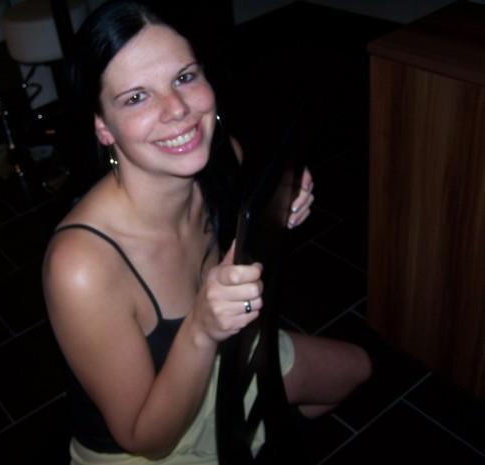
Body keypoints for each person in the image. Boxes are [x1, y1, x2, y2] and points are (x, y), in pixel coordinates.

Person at [42, 1, 371, 464]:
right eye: (136, 97)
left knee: (358, 368)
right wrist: (200, 328)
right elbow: (146, 439)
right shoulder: (80, 266)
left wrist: (279, 208)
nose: (177, 109)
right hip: (146, 442)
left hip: (221, 357)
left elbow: (246, 237)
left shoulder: (221, 158)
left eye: (184, 77)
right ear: (102, 126)